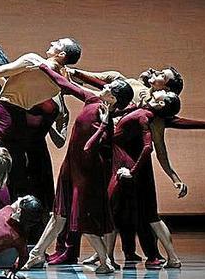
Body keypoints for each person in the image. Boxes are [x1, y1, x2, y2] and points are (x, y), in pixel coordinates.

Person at [59, 65, 185, 265]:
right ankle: (110, 256)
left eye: (163, 79)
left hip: (126, 165)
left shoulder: (148, 116)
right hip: (118, 160)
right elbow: (105, 86)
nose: (157, 73)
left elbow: (150, 148)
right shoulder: (140, 105)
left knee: (127, 212)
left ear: (164, 98)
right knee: (121, 212)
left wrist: (135, 171)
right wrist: (77, 76)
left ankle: (112, 257)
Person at [22, 61, 134, 274]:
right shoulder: (92, 99)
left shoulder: (108, 121)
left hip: (88, 172)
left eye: (109, 88)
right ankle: (37, 254)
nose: (105, 87)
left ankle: (104, 262)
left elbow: (90, 147)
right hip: (71, 166)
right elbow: (66, 84)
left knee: (81, 217)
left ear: (113, 98)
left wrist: (103, 123)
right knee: (59, 214)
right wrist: (45, 68)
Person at [0, 38, 78, 210]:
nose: (52, 41)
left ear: (61, 54)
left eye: (58, 43)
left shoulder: (33, 60)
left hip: (2, 114)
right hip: (18, 123)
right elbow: (22, 92)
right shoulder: (58, 84)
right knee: (10, 167)